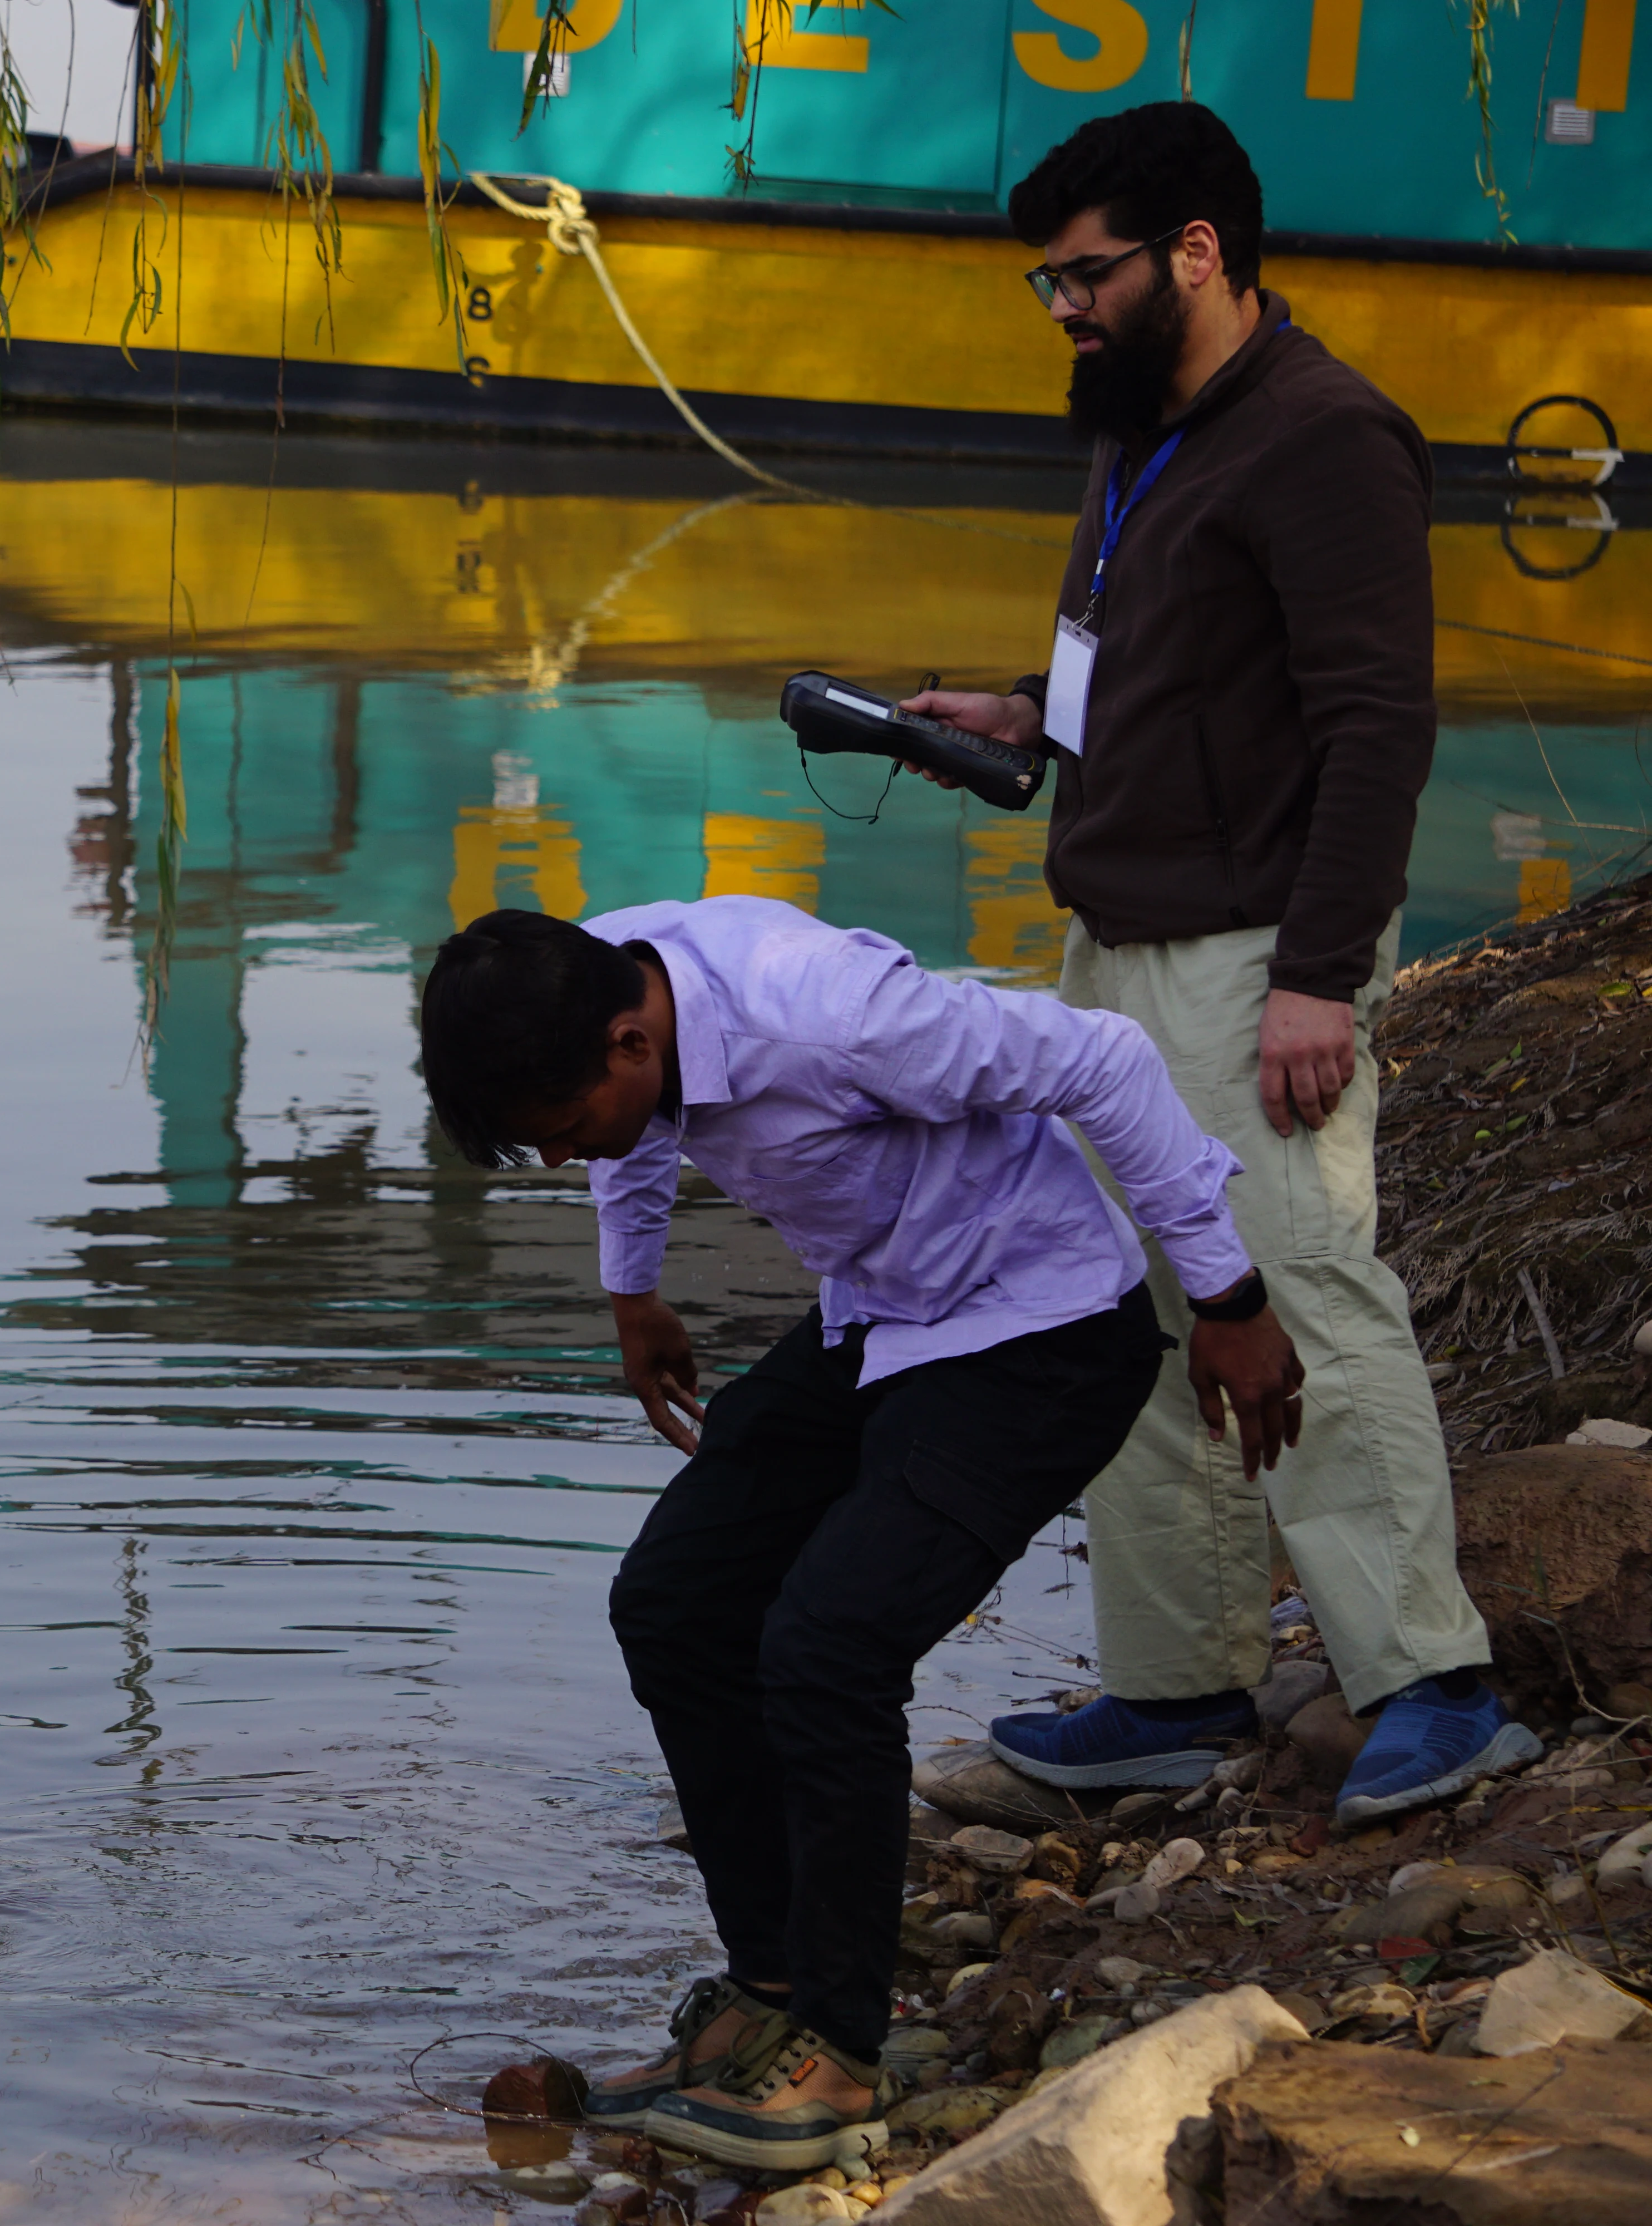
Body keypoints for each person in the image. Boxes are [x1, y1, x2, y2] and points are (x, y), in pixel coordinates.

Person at [420, 898, 1299, 2170]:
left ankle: (837, 2047)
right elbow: (631, 1139)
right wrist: (633, 1288)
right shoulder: (589, 974)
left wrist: (1227, 1294)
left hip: (1039, 1329)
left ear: (629, 1044)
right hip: (882, 1314)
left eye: (564, 1133)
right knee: (674, 1600)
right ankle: (770, 1987)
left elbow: (1104, 1059)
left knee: (828, 1644)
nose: (566, 1159)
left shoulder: (835, 1013)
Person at [901, 103, 1527, 1827]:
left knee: (1296, 1284)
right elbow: (1161, 674)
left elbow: (1375, 727)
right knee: (1135, 1304)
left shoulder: (1326, 437)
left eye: (1085, 274)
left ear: (1197, 254)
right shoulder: (1145, 432)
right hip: (1122, 939)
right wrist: (1026, 722)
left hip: (1259, 951)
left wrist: (1323, 975)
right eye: (1050, 278)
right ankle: (1179, 1685)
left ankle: (1434, 1681)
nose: (1065, 309)